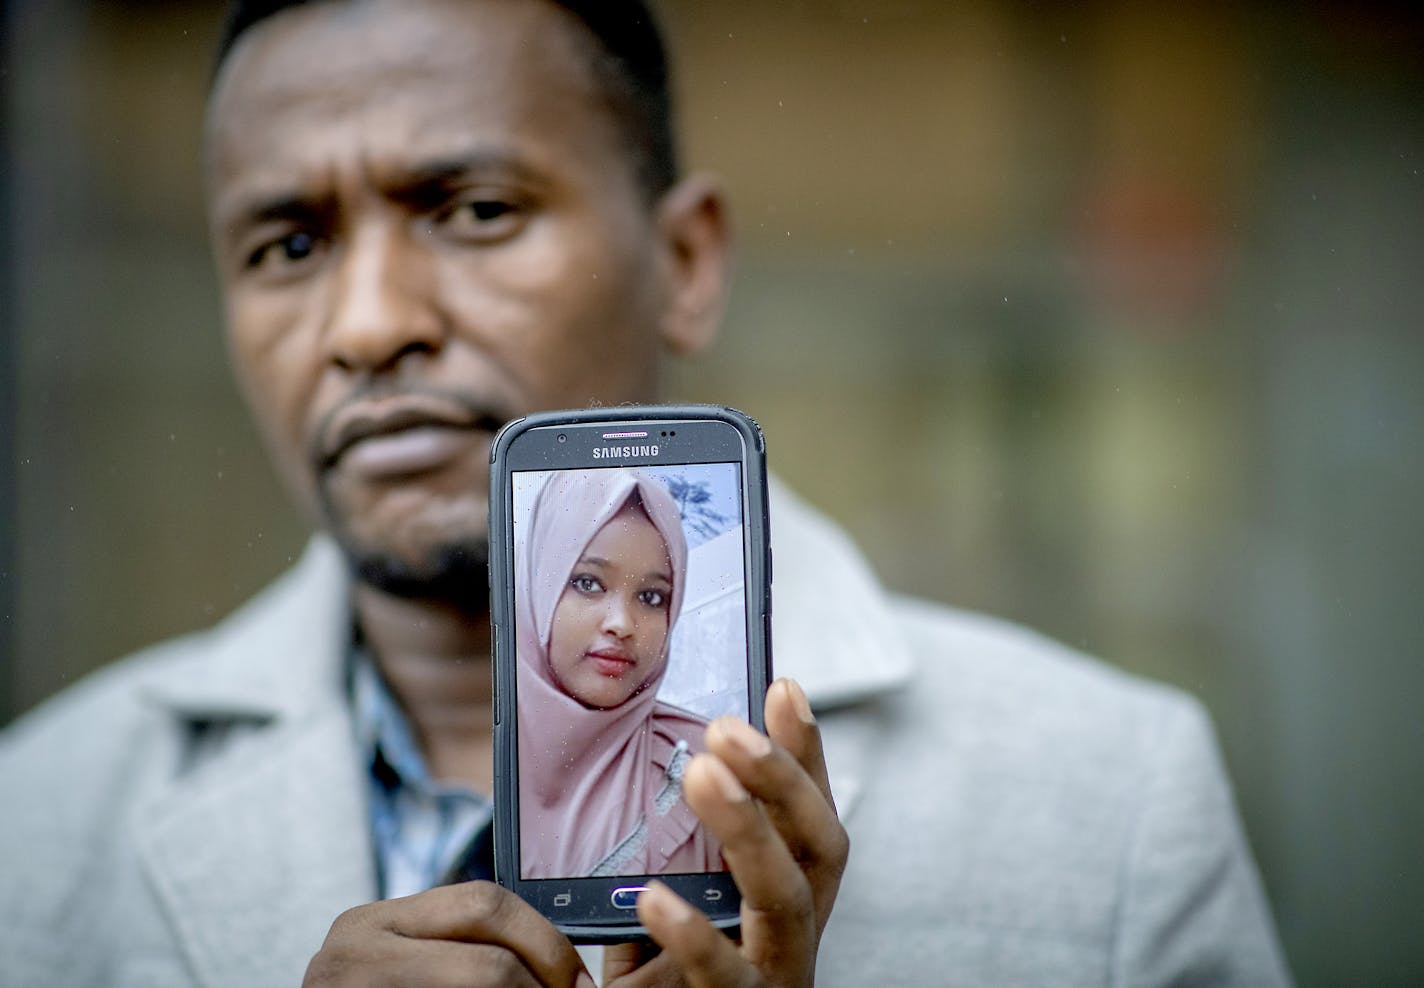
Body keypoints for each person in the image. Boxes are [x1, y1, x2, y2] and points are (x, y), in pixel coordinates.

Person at [0, 0, 1294, 985]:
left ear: (683, 260)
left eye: (476, 209)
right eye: (287, 245)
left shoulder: (1114, 800)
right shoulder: (34, 826)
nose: (370, 323)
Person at [518, 469, 721, 879]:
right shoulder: (449, 762)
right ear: (535, 585)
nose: (621, 623)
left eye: (650, 597)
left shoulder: (710, 775)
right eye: (588, 583)